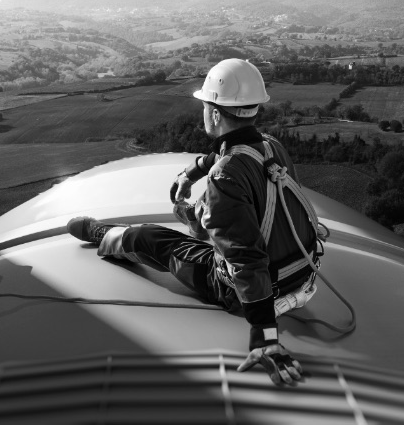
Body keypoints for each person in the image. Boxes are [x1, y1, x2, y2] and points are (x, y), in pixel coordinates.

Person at [67, 58, 321, 386]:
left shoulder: (226, 176)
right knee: (216, 215)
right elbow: (231, 153)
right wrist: (192, 171)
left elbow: (246, 259)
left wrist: (265, 335)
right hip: (303, 276)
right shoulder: (271, 145)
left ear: (215, 113)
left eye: (205, 105)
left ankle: (104, 235)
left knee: (150, 239)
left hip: (253, 294)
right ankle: (199, 217)